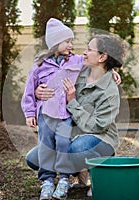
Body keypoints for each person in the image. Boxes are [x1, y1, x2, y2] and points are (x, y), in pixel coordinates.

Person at [21, 18, 121, 200]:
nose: (83, 51)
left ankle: (97, 175)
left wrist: (72, 101)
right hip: (73, 132)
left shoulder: (109, 91)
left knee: (75, 148)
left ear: (102, 57)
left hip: (100, 137)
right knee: (35, 157)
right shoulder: (79, 69)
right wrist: (38, 92)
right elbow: (51, 77)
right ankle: (73, 173)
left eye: (89, 49)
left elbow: (97, 126)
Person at [21, 18, 83, 200]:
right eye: (68, 41)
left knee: (63, 144)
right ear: (56, 43)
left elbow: (95, 64)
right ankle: (47, 181)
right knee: (46, 145)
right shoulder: (39, 66)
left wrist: (113, 71)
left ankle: (64, 179)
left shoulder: (75, 61)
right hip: (45, 115)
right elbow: (29, 92)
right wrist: (30, 113)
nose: (71, 45)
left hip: (65, 114)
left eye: (71, 41)